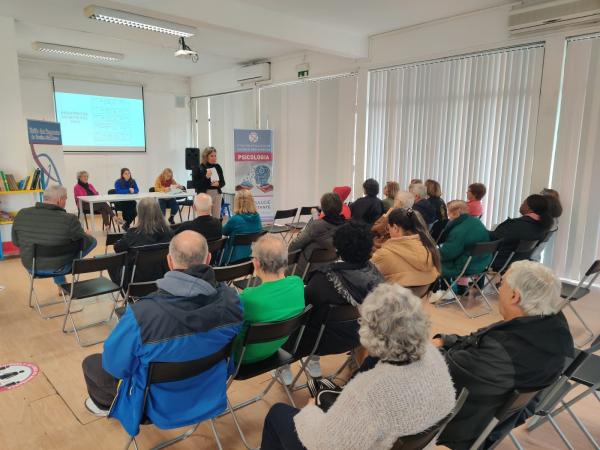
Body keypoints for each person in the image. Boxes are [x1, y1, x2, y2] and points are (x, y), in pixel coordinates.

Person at [81, 231, 244, 437]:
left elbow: (115, 367)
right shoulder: (233, 301)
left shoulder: (141, 315)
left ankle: (104, 405)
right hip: (210, 393)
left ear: (169, 261)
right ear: (209, 259)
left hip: (154, 407)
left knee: (92, 363)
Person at [260, 283, 456, 450]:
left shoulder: (368, 391)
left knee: (277, 414)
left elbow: (324, 443)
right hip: (407, 437)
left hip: (354, 440)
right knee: (334, 383)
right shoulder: (434, 357)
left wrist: (310, 411)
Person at [434, 261, 574, 450]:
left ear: (514, 296)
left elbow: (442, 372)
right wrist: (446, 340)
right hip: (495, 416)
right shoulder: (550, 329)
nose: (499, 290)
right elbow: (476, 340)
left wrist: (430, 350)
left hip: (463, 422)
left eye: (502, 285)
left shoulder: (503, 351)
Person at [279, 221, 384, 383]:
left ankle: (285, 367)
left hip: (318, 342)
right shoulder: (376, 275)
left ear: (337, 247)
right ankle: (313, 362)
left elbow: (303, 310)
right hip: (357, 337)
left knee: (290, 320)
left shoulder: (325, 278)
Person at [234, 235, 305, 364]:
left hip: (241, 357)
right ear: (285, 260)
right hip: (274, 348)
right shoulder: (297, 284)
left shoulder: (248, 298)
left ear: (256, 263)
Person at [12, 185, 97, 288]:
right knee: (92, 241)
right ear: (60, 200)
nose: (65, 202)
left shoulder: (22, 213)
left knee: (54, 247)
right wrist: (85, 234)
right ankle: (63, 281)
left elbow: (16, 242)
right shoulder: (69, 219)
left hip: (31, 266)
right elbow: (85, 241)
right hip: (60, 267)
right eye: (65, 199)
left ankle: (61, 284)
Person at [430, 200, 491, 302]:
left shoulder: (459, 230)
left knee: (433, 260)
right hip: (481, 263)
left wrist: (432, 254)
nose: (448, 215)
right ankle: (446, 290)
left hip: (466, 266)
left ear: (456, 212)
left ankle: (437, 292)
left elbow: (447, 254)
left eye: (448, 212)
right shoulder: (476, 222)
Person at [109, 197, 173, 287]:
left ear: (140, 213)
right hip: (164, 280)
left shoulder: (132, 234)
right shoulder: (169, 232)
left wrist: (133, 228)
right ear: (159, 211)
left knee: (112, 262)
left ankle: (126, 294)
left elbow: (117, 248)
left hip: (136, 283)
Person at [372, 208, 440, 287]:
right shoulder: (429, 249)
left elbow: (368, 279)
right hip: (422, 298)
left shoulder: (383, 255)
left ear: (395, 228)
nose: (388, 232)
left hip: (393, 298)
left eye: (388, 228)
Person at [490, 194, 553, 271]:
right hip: (519, 263)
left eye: (524, 203)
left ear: (530, 208)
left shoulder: (515, 225)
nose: (521, 204)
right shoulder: (543, 227)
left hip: (499, 261)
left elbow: (492, 238)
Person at [289, 192, 345, 276]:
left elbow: (294, 245)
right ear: (341, 208)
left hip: (305, 272)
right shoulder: (345, 226)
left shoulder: (315, 226)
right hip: (330, 270)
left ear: (323, 208)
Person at [222, 190, 262, 264]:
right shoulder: (257, 217)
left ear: (237, 203)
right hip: (249, 258)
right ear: (251, 201)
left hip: (232, 259)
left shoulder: (235, 219)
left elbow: (223, 232)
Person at [191, 146, 225, 219]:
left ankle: (216, 230)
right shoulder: (198, 168)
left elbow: (223, 182)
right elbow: (196, 184)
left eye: (215, 156)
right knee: (205, 217)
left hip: (217, 194)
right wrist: (206, 177)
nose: (214, 158)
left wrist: (219, 184)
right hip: (204, 194)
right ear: (206, 157)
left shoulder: (217, 166)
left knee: (216, 217)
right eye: (211, 156)